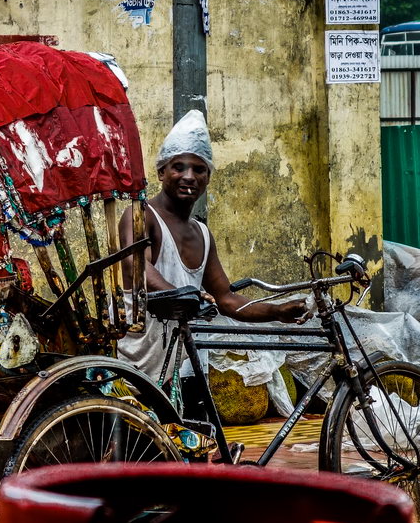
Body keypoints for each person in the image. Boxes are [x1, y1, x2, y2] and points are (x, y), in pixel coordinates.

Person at [117, 110, 307, 384]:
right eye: (178, 167)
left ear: (208, 177)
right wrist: (183, 296)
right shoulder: (141, 214)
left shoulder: (203, 234)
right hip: (139, 355)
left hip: (183, 360)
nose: (189, 176)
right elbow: (136, 264)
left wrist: (277, 311)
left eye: (199, 169)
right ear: (161, 171)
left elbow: (226, 299)